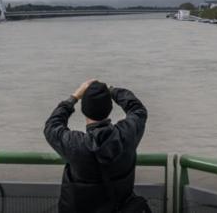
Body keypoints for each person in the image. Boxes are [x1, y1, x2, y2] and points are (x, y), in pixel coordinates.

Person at [44, 79, 149, 213]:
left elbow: (52, 126)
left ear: (84, 110)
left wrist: (75, 97)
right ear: (110, 108)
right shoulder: (126, 136)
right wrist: (110, 90)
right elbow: (137, 109)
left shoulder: (75, 145)